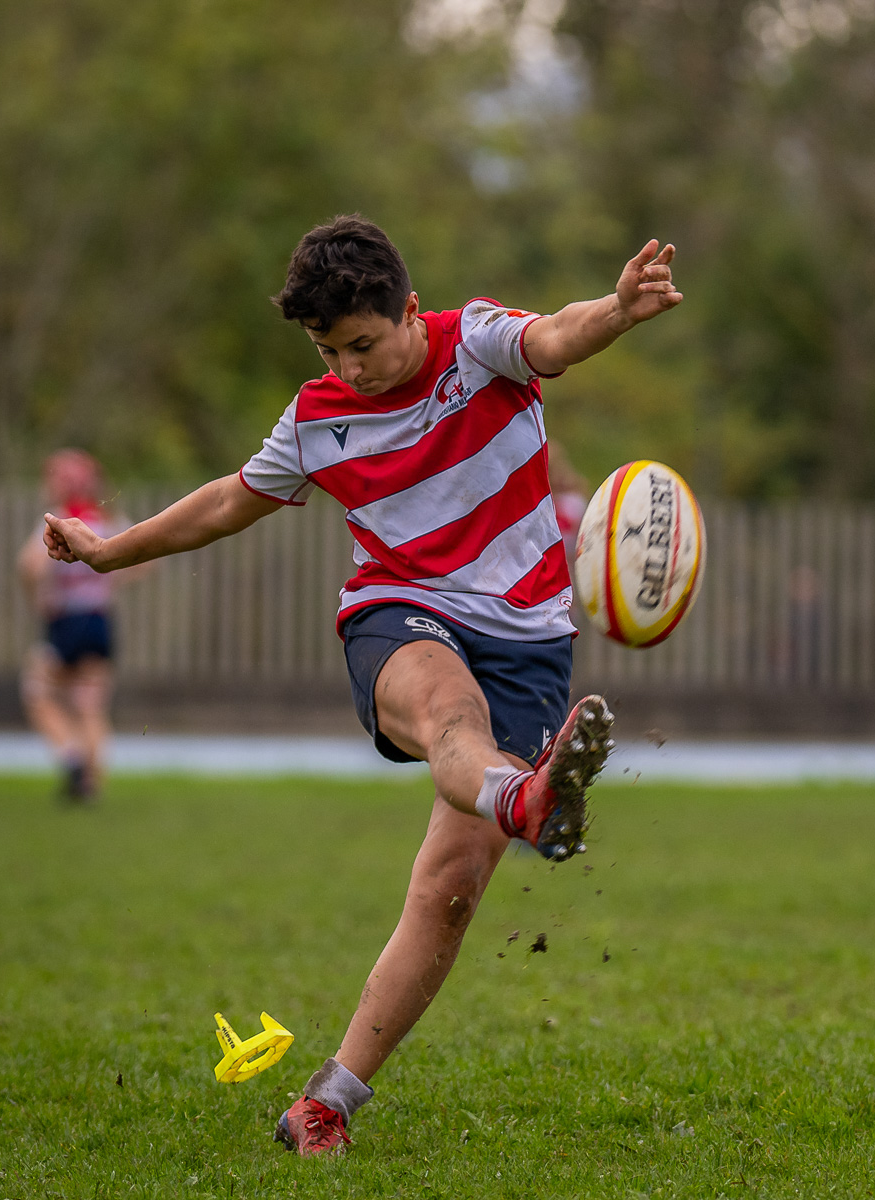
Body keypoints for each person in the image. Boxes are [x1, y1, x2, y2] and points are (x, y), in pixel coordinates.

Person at [41, 214, 683, 1153]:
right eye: (328, 350)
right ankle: (526, 796)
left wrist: (618, 312)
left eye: (364, 345)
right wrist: (109, 550)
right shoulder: (317, 420)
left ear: (410, 313)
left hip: (529, 637)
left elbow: (555, 335)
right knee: (447, 712)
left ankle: (326, 1102)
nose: (348, 368)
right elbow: (226, 501)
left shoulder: (478, 346)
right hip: (400, 611)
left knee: (452, 888)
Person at [17, 449, 133, 803]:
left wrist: (41, 595)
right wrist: (106, 583)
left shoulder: (61, 520)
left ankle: (72, 761)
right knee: (90, 703)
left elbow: (29, 566)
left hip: (68, 621)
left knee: (37, 691)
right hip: (99, 618)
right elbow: (142, 560)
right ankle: (91, 786)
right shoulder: (107, 518)